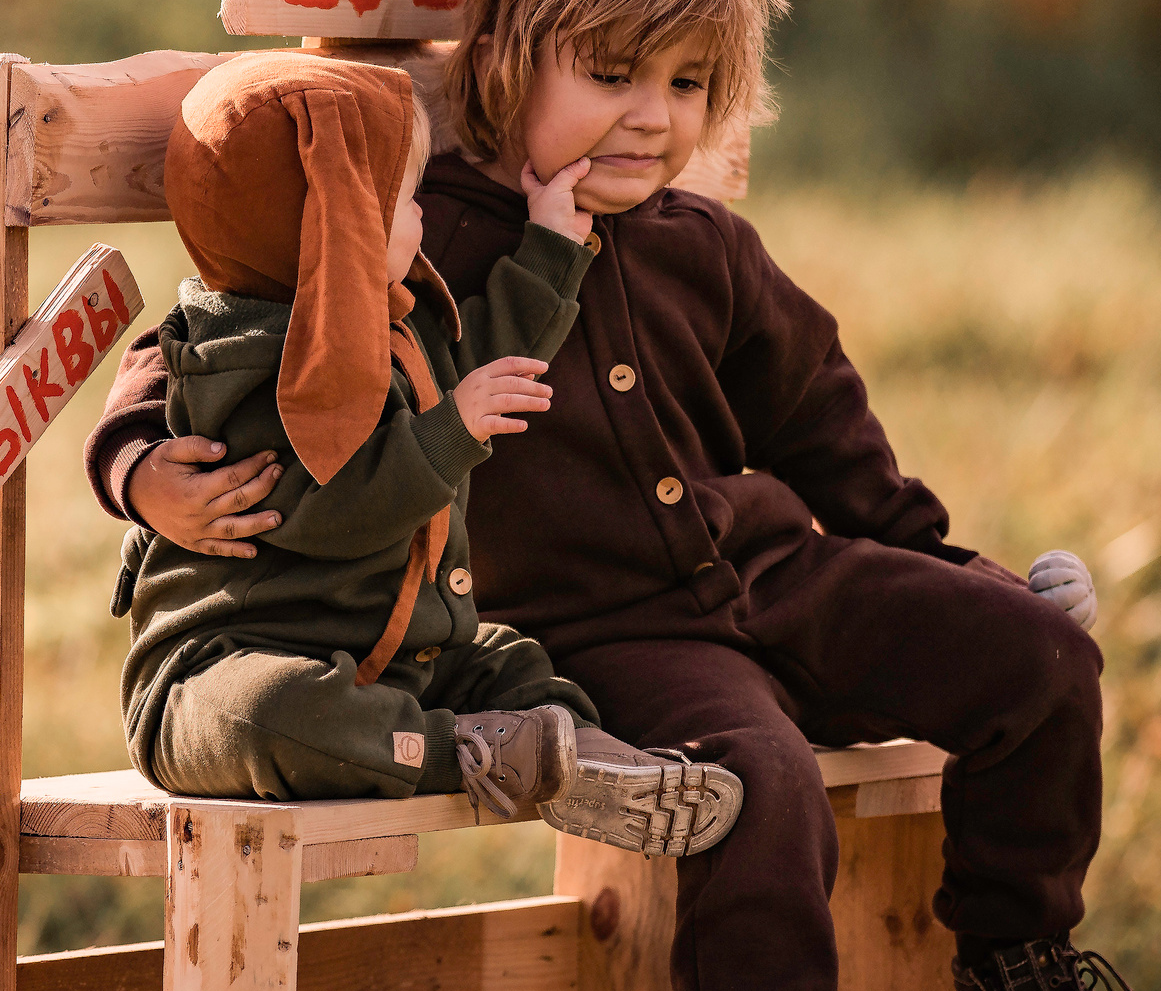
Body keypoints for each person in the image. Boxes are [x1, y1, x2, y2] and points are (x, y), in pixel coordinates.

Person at [85, 0, 1161, 991]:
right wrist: (137, 466)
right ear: (509, 63)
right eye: (613, 71)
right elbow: (212, 335)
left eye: (687, 83)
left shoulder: (706, 245)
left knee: (1036, 661)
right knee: (763, 779)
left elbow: (822, 418)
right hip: (608, 628)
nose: (652, 114)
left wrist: (939, 560)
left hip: (773, 571)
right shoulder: (428, 234)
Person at [115, 51, 743, 857]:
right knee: (279, 711)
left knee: (508, 659)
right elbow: (328, 513)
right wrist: (453, 430)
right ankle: (476, 753)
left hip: (394, 657)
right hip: (226, 669)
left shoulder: (386, 326)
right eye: (404, 201)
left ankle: (586, 757)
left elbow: (481, 358)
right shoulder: (240, 367)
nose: (420, 220)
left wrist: (550, 247)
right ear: (336, 224)